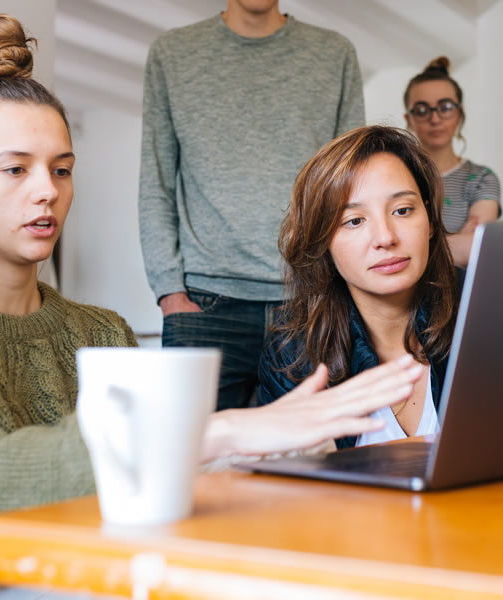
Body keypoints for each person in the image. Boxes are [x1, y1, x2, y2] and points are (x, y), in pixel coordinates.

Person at [0, 16, 421, 599]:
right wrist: (216, 431)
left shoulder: (101, 331)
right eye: (15, 169)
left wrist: (277, 453)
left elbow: (150, 503)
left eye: (61, 170)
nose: (47, 190)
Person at [139, 0, 365, 412]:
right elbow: (155, 179)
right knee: (192, 466)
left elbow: (351, 185)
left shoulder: (335, 54)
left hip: (310, 299)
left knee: (308, 467)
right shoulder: (172, 54)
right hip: (202, 304)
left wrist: (343, 286)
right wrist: (168, 290)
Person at [257, 126, 459, 450]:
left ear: (430, 220)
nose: (385, 238)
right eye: (354, 220)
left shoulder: (483, 314)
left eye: (402, 210)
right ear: (323, 241)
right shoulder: (292, 355)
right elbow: (286, 492)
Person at [403, 56, 500, 267]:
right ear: (408, 119)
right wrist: (454, 243)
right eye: (421, 110)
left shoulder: (482, 178)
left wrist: (406, 253)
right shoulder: (395, 176)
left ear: (459, 113)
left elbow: (475, 248)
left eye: (445, 107)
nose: (435, 119)